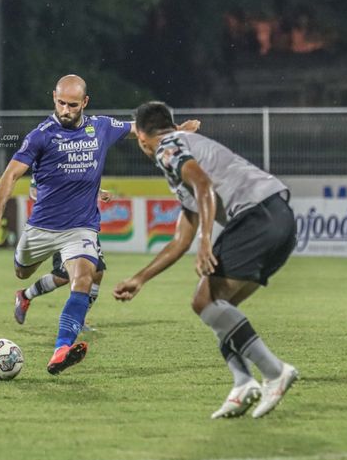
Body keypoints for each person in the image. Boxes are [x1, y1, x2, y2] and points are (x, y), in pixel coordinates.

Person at [0, 75, 199, 376]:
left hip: (80, 227)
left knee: (84, 278)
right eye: (60, 103)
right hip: (41, 228)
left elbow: (141, 130)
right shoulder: (41, 135)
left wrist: (176, 131)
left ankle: (61, 350)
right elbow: (10, 175)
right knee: (22, 270)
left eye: (72, 104)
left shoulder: (102, 127)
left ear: (85, 102)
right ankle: (25, 292)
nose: (66, 110)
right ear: (53, 98)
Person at [113, 101, 298, 419]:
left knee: (205, 301)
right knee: (216, 307)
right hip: (280, 219)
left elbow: (204, 187)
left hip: (257, 214)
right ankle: (242, 382)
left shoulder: (167, 149)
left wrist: (206, 242)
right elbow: (179, 240)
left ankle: (273, 371)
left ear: (142, 138)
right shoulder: (181, 148)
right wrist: (140, 278)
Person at [14, 178, 111, 330]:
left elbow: (80, 184)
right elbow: (34, 192)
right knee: (63, 277)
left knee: (97, 272)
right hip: (60, 226)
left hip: (83, 225)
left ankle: (78, 319)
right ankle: (25, 295)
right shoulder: (47, 161)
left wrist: (98, 193)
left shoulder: (78, 161)